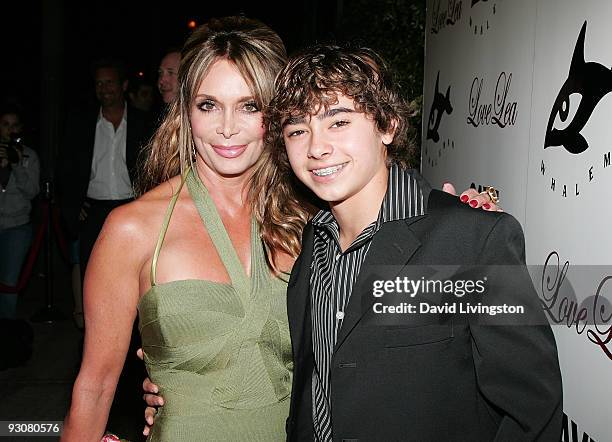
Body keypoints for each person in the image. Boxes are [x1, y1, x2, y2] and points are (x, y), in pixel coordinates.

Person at [65, 18, 498, 442]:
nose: (227, 127)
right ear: (185, 112)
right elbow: (95, 387)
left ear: (275, 117)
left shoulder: (315, 220)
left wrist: (455, 216)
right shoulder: (133, 229)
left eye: (250, 106)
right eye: (208, 105)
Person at [270, 44, 563, 441]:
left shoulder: (472, 239)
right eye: (297, 130)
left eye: (338, 122)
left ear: (387, 125)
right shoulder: (312, 245)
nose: (316, 147)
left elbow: (533, 411)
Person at [57, 57, 154, 439]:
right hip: (94, 211)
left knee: (137, 299)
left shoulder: (143, 121)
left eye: (111, 83)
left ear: (124, 85)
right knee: (97, 299)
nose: (105, 89)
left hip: (132, 210)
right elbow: (65, 168)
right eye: (99, 84)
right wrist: (71, 209)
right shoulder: (82, 124)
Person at [0, 104, 39, 318]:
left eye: (14, 125)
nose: (9, 130)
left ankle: (6, 336)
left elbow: (32, 191)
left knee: (8, 284)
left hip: (17, 228)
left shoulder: (29, 157)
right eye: (5, 124)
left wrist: (15, 165)